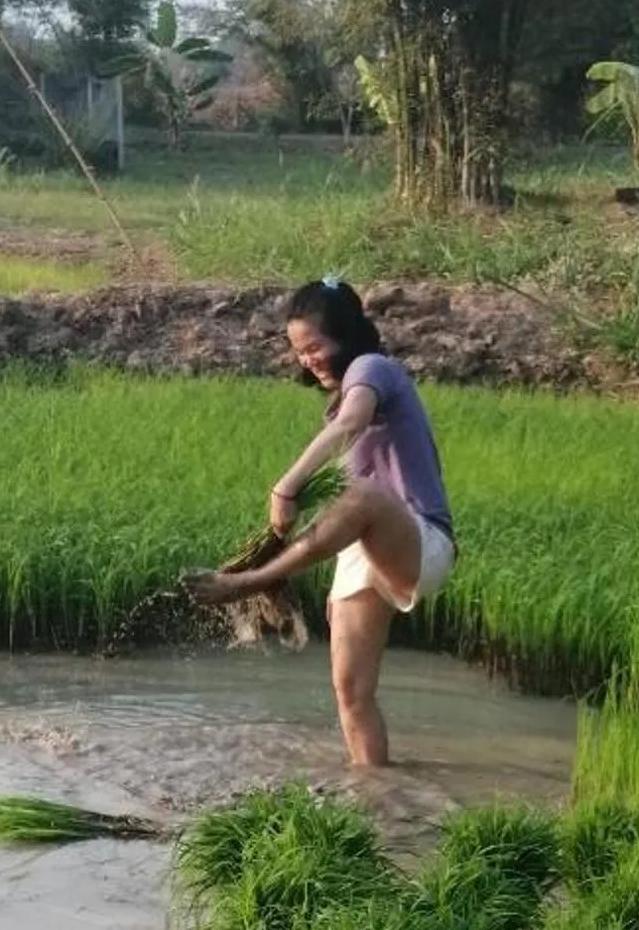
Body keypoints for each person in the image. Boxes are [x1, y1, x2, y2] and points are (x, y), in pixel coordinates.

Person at [185, 277, 456, 767]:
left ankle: (253, 581)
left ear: (347, 335)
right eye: (298, 350)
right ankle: (376, 794)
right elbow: (344, 495)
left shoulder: (374, 369)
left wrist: (285, 486)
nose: (307, 359)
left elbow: (351, 425)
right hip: (366, 550)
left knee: (365, 494)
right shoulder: (338, 401)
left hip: (421, 539)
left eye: (315, 346)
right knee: (351, 693)